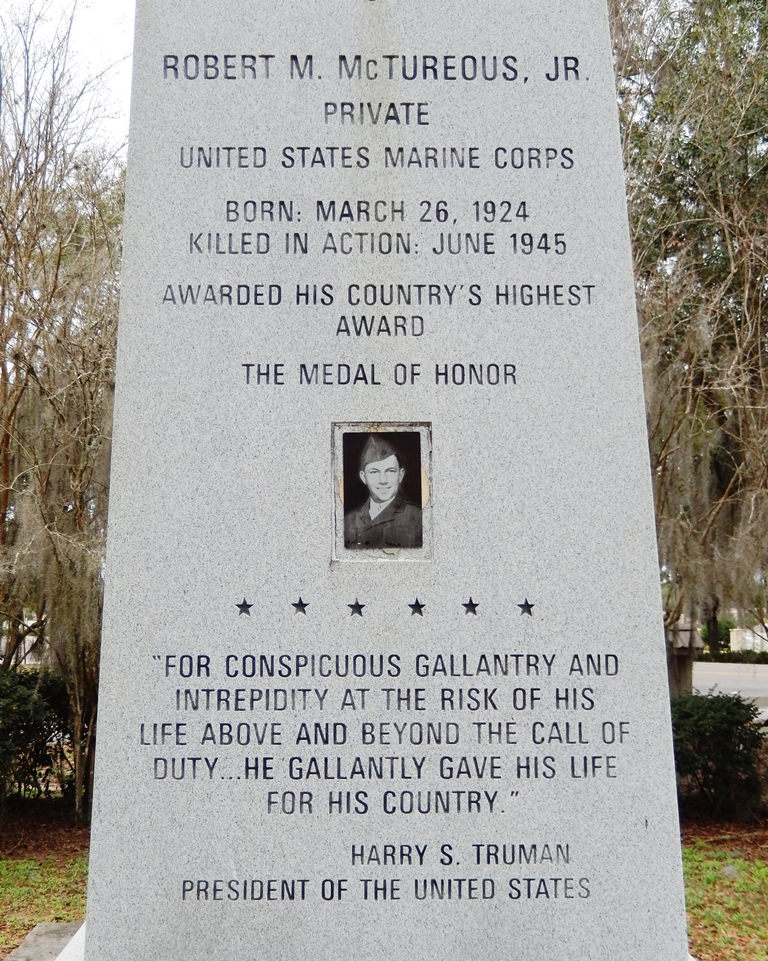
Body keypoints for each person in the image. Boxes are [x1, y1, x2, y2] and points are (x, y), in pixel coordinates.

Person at [344, 435, 422, 548]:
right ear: (364, 477)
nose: (383, 481)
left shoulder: (417, 518)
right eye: (374, 472)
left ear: (400, 475)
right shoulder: (349, 520)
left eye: (390, 471)